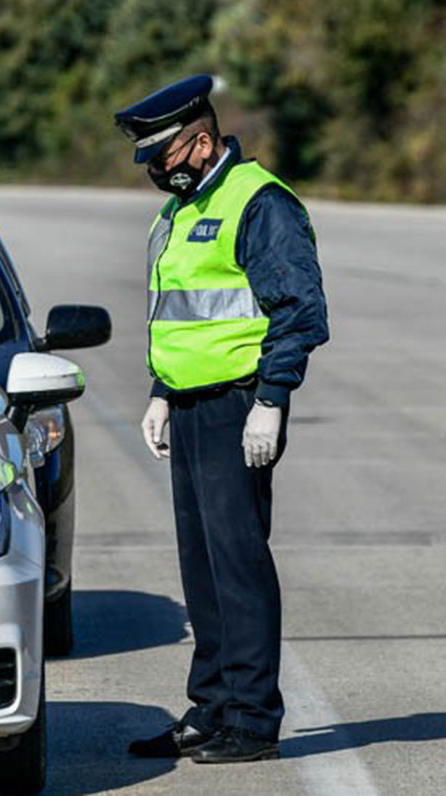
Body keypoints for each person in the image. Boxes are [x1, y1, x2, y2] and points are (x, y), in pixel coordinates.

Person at [116, 74, 328, 763]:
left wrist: (272, 400)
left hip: (240, 404)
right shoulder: (178, 210)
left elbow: (299, 311)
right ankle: (210, 707)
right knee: (202, 567)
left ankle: (252, 719)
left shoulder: (258, 203)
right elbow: (179, 313)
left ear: (201, 142)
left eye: (163, 157)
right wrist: (159, 390)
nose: (155, 171)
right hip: (189, 404)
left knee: (237, 563)